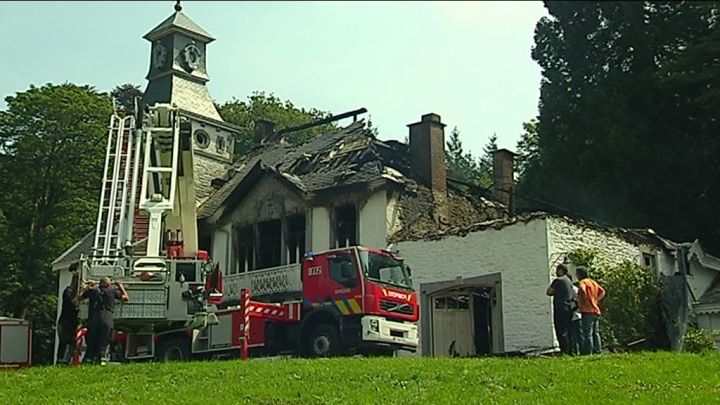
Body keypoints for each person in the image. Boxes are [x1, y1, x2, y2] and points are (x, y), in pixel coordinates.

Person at [81, 277, 129, 365]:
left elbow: (80, 297)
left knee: (91, 340)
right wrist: (121, 286)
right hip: (107, 317)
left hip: (93, 318)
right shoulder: (112, 291)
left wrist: (87, 287)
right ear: (108, 284)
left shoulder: (93, 291)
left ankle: (88, 359)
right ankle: (101, 359)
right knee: (104, 340)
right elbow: (126, 298)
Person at [546, 263, 574, 355]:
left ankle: (564, 351)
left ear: (561, 270)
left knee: (560, 330)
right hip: (569, 308)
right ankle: (571, 350)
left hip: (560, 307)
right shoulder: (569, 281)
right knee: (568, 329)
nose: (556, 272)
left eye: (557, 270)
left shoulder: (558, 280)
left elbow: (549, 292)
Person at [576, 266, 605, 355]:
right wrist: (596, 300)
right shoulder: (593, 282)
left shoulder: (583, 282)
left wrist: (583, 301)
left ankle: (588, 352)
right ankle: (598, 351)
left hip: (587, 310)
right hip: (595, 310)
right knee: (596, 333)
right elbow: (602, 291)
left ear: (580, 274)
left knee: (587, 333)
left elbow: (582, 289)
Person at [56, 272, 79, 365]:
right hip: (65, 322)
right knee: (64, 342)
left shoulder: (73, 293)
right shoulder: (68, 291)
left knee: (71, 342)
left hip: (71, 323)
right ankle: (61, 361)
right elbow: (72, 303)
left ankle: (66, 361)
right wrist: (82, 293)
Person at [567, 273, 582, 356]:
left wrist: (573, 309)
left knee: (577, 335)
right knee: (571, 335)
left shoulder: (574, 289)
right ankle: (573, 351)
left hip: (576, 315)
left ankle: (579, 351)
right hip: (570, 315)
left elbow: (577, 302)